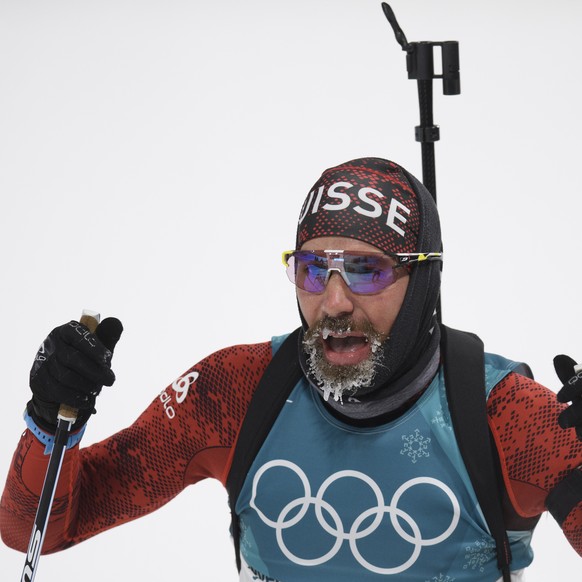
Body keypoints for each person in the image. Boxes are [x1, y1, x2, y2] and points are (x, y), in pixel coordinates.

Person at [1, 157, 581, 581]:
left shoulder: (507, 415)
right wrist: (50, 422)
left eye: (366, 270)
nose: (332, 304)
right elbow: (39, 529)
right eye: (311, 270)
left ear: (423, 279)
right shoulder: (234, 391)